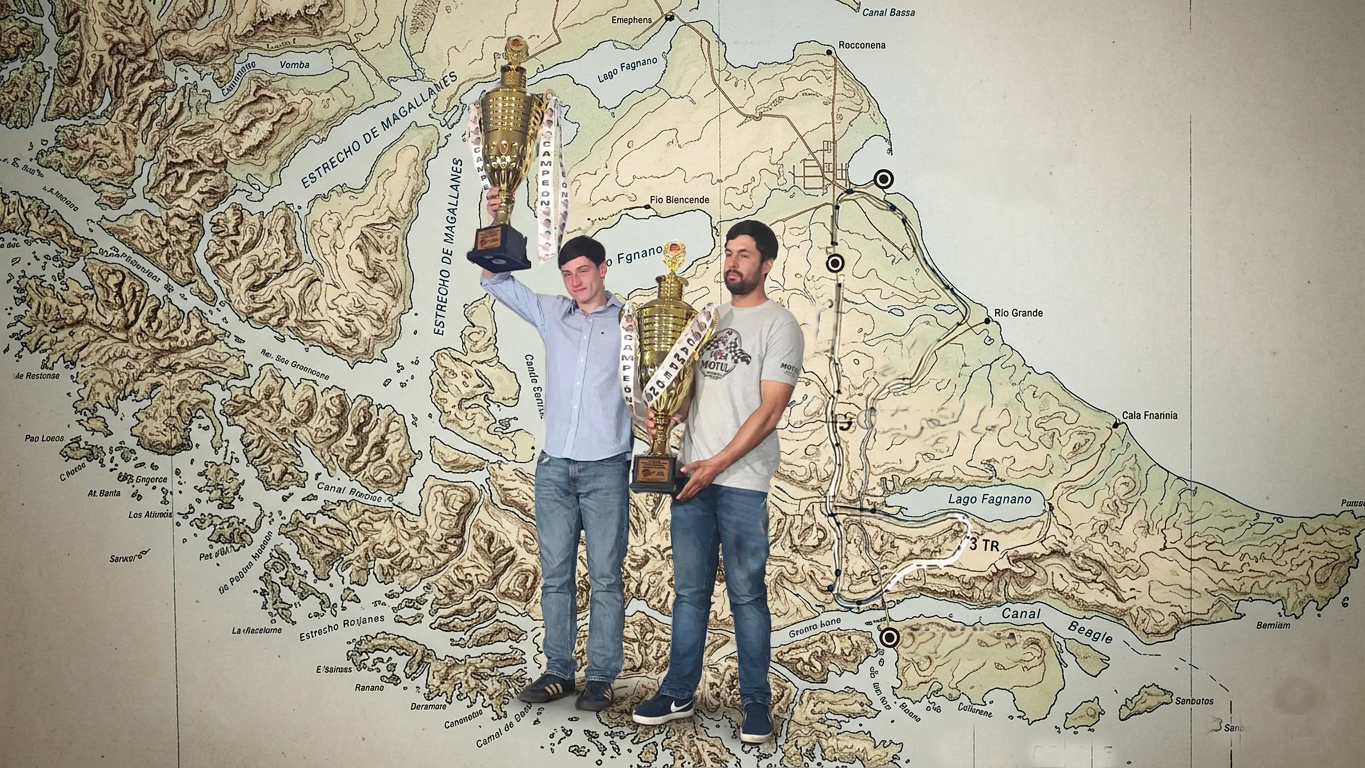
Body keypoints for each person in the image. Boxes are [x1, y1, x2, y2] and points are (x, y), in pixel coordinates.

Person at [631, 220, 804, 743]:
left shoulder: (780, 324)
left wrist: (719, 462)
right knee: (689, 594)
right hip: (691, 475)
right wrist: (661, 411)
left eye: (744, 254)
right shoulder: (704, 321)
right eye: (729, 252)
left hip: (742, 482)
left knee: (747, 596)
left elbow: (770, 410)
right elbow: (688, 397)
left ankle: (755, 702)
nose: (733, 262)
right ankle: (678, 691)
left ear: (766, 264)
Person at [478, 187, 630, 712]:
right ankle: (558, 672)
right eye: (567, 274)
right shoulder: (551, 312)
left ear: (603, 269)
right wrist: (496, 213)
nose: (575, 281)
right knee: (557, 576)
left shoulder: (631, 324)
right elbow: (494, 279)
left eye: (584, 271)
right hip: (554, 470)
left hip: (606, 469)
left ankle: (601, 677)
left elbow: (653, 385)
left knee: (606, 578)